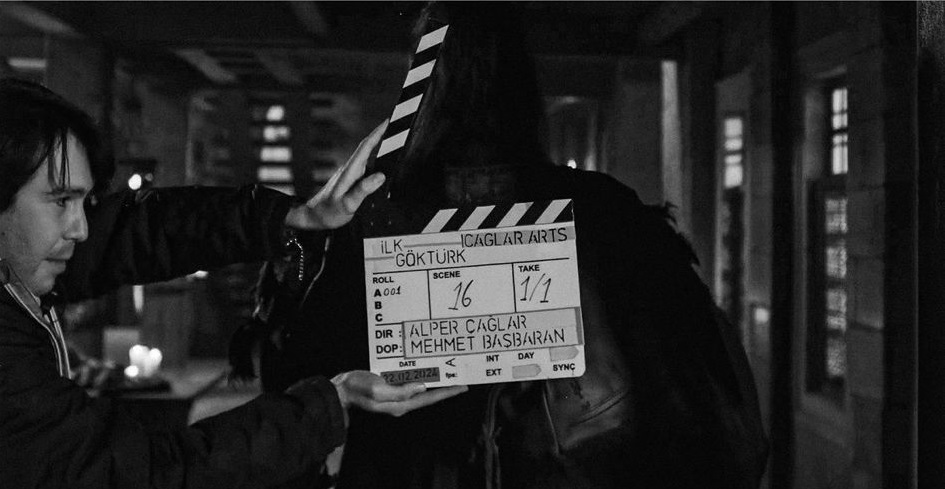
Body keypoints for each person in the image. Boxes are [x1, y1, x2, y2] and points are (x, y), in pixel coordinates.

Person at [236, 3, 769, 489]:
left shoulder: (363, 221)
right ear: (525, 85)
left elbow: (289, 376)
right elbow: (701, 387)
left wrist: (306, 245)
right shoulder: (605, 212)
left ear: (419, 89)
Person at [0, 77, 467, 489]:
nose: (80, 229)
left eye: (84, 204)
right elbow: (142, 474)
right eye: (60, 201)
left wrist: (291, 217)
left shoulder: (20, 265)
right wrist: (329, 403)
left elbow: (135, 232)